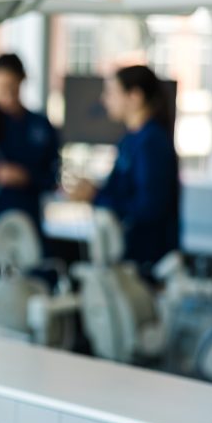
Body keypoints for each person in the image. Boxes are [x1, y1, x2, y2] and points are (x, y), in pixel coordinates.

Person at [67, 64, 181, 276]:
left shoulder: (151, 142)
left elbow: (148, 207)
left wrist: (95, 196)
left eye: (111, 93)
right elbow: (119, 190)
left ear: (134, 97)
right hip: (128, 257)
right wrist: (93, 192)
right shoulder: (129, 141)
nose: (104, 100)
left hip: (148, 262)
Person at [0, 53, 61, 268]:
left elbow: (53, 177)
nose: (6, 93)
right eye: (0, 86)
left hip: (27, 220)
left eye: (11, 85)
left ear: (22, 81)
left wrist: (25, 177)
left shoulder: (41, 125)